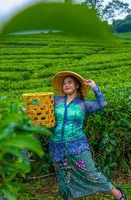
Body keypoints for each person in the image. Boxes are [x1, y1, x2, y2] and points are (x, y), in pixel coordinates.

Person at [48, 71, 126, 200]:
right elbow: (41, 109)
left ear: (77, 85)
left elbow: (103, 104)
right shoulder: (56, 100)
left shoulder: (83, 104)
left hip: (77, 144)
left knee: (91, 173)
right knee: (63, 176)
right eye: (64, 83)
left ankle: (117, 194)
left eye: (69, 82)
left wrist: (94, 87)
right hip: (57, 145)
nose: (66, 85)